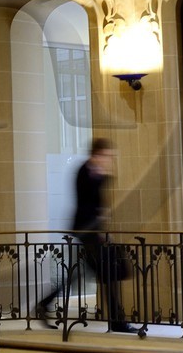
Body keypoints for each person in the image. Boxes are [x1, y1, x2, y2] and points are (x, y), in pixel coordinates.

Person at [36, 138, 136, 332]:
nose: (109, 160)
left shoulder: (93, 172)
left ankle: (45, 303)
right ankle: (117, 322)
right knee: (107, 273)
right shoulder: (86, 172)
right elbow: (87, 204)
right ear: (97, 154)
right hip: (86, 230)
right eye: (107, 156)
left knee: (90, 273)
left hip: (91, 230)